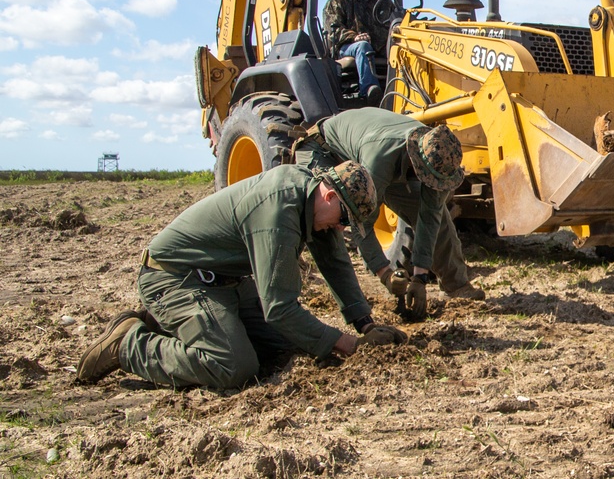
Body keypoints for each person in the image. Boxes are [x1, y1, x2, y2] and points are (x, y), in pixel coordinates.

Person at [75, 161, 407, 389]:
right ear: (331, 195)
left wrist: (364, 323)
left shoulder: (311, 195)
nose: (340, 227)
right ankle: (130, 344)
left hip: (222, 283)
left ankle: (179, 324)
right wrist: (346, 342)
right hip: (175, 278)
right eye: (343, 219)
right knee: (234, 366)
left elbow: (335, 261)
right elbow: (279, 308)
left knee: (295, 344)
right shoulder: (279, 210)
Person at [293, 108, 486, 317]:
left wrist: (419, 278)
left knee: (438, 216)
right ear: (417, 162)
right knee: (327, 223)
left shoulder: (436, 155)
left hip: (381, 163)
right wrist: (385, 273)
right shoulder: (381, 157)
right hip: (325, 152)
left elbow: (430, 217)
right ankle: (345, 310)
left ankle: (456, 286)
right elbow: (361, 222)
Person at [323, 0, 389, 107]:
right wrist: (354, 37)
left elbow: (392, 20)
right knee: (363, 47)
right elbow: (332, 28)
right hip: (347, 47)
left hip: (378, 47)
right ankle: (369, 92)